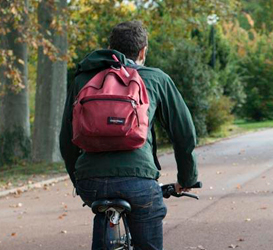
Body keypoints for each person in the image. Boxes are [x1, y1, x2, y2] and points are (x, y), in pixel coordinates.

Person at [60, 21, 198, 250]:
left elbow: (67, 141)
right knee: (148, 221)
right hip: (139, 183)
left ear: (111, 48)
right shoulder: (156, 79)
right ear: (143, 50)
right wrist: (187, 178)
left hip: (90, 183)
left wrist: (80, 180)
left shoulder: (83, 80)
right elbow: (184, 135)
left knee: (101, 207)